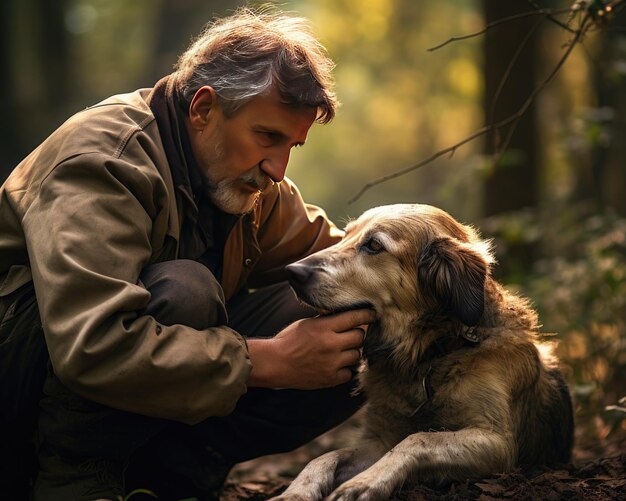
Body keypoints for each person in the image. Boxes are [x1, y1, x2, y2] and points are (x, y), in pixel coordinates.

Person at [0, 7, 375, 500]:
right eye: (268, 137)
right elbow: (93, 344)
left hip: (106, 388)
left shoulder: (248, 179)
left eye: (292, 146)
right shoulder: (104, 162)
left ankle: (168, 477)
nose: (279, 168)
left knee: (351, 299)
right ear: (203, 109)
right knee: (187, 290)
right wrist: (269, 360)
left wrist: (465, 298)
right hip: (18, 384)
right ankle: (74, 483)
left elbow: (344, 257)